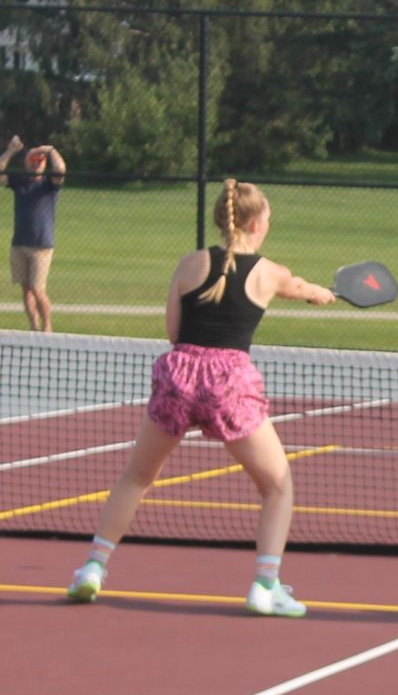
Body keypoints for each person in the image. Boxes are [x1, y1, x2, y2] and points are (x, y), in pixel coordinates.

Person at [65, 178, 336, 616]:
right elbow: (304, 288)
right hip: (229, 385)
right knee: (277, 486)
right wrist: (320, 294)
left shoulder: (189, 264)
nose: (268, 225)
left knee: (136, 477)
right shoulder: (271, 273)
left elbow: (174, 332)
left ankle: (93, 568)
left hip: (178, 378)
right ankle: (266, 585)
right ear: (253, 223)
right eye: (266, 218)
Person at [0, 134, 67, 332]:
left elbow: (61, 170)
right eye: (32, 159)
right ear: (26, 163)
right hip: (19, 243)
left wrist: (50, 151)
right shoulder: (19, 181)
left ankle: (47, 328)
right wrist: (11, 151)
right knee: (26, 289)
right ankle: (33, 328)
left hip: (42, 246)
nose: (36, 163)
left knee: (38, 289)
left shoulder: (49, 184)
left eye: (40, 160)